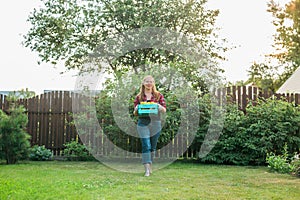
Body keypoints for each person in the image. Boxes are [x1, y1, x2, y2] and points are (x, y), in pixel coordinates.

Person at [133, 75, 166, 177]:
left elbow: (164, 110)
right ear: (143, 83)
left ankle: (149, 164)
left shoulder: (158, 96)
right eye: (147, 81)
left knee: (153, 146)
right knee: (146, 145)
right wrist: (137, 108)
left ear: (153, 83)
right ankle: (147, 169)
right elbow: (135, 113)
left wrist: (158, 106)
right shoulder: (139, 97)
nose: (149, 83)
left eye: (151, 81)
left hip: (156, 122)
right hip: (143, 123)